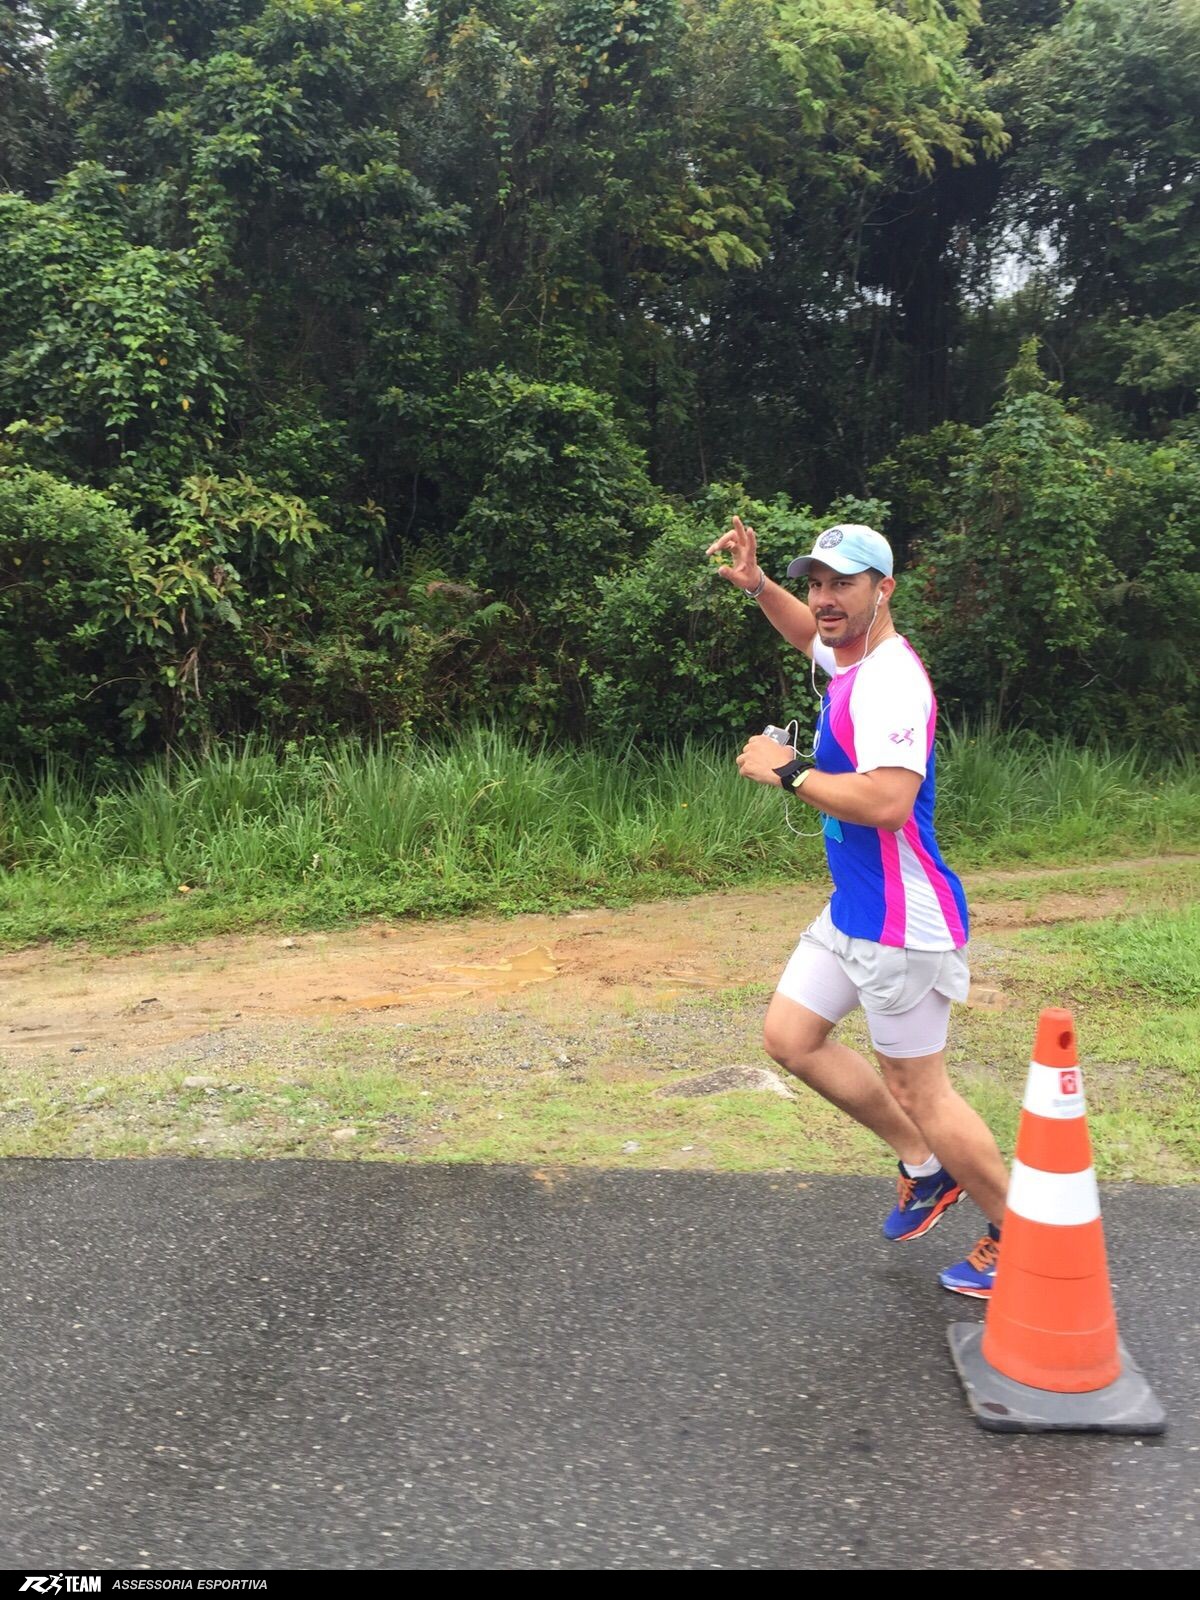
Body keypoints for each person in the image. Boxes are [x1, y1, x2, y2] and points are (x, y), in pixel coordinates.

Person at [706, 514, 1008, 1296]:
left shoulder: (891, 683)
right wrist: (759, 585)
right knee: (791, 1036)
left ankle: (1022, 1236)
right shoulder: (849, 655)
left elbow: (887, 803)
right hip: (855, 910)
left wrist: (789, 771)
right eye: (816, 583)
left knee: (922, 1090)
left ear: (884, 590)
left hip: (903, 923)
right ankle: (926, 1167)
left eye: (843, 584)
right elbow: (806, 632)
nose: (824, 599)